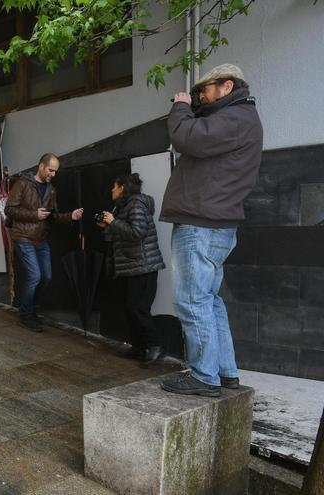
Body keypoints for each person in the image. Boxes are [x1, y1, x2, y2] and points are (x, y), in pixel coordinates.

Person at [160, 63, 263, 397]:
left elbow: (185, 137)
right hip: (214, 223)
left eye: (205, 89)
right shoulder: (239, 119)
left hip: (201, 223)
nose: (200, 96)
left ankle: (204, 376)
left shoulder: (235, 119)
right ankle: (224, 371)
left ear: (227, 87)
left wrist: (180, 106)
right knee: (209, 300)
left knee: (191, 301)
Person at [5, 153, 83, 330]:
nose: (53, 174)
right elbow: (9, 210)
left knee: (46, 277)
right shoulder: (22, 184)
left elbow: (53, 217)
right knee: (35, 276)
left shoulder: (51, 189)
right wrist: (34, 215)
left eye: (55, 171)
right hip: (23, 237)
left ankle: (31, 309)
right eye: (50, 170)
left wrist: (70, 216)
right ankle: (26, 315)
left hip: (41, 239)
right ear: (41, 166)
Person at [97, 173, 166, 365]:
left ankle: (155, 345)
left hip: (143, 265)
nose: (112, 189)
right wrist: (106, 225)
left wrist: (113, 222)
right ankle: (139, 347)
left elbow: (137, 233)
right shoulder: (123, 206)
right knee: (130, 308)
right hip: (131, 266)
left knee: (138, 308)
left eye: (114, 186)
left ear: (122, 188)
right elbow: (120, 235)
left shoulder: (135, 204)